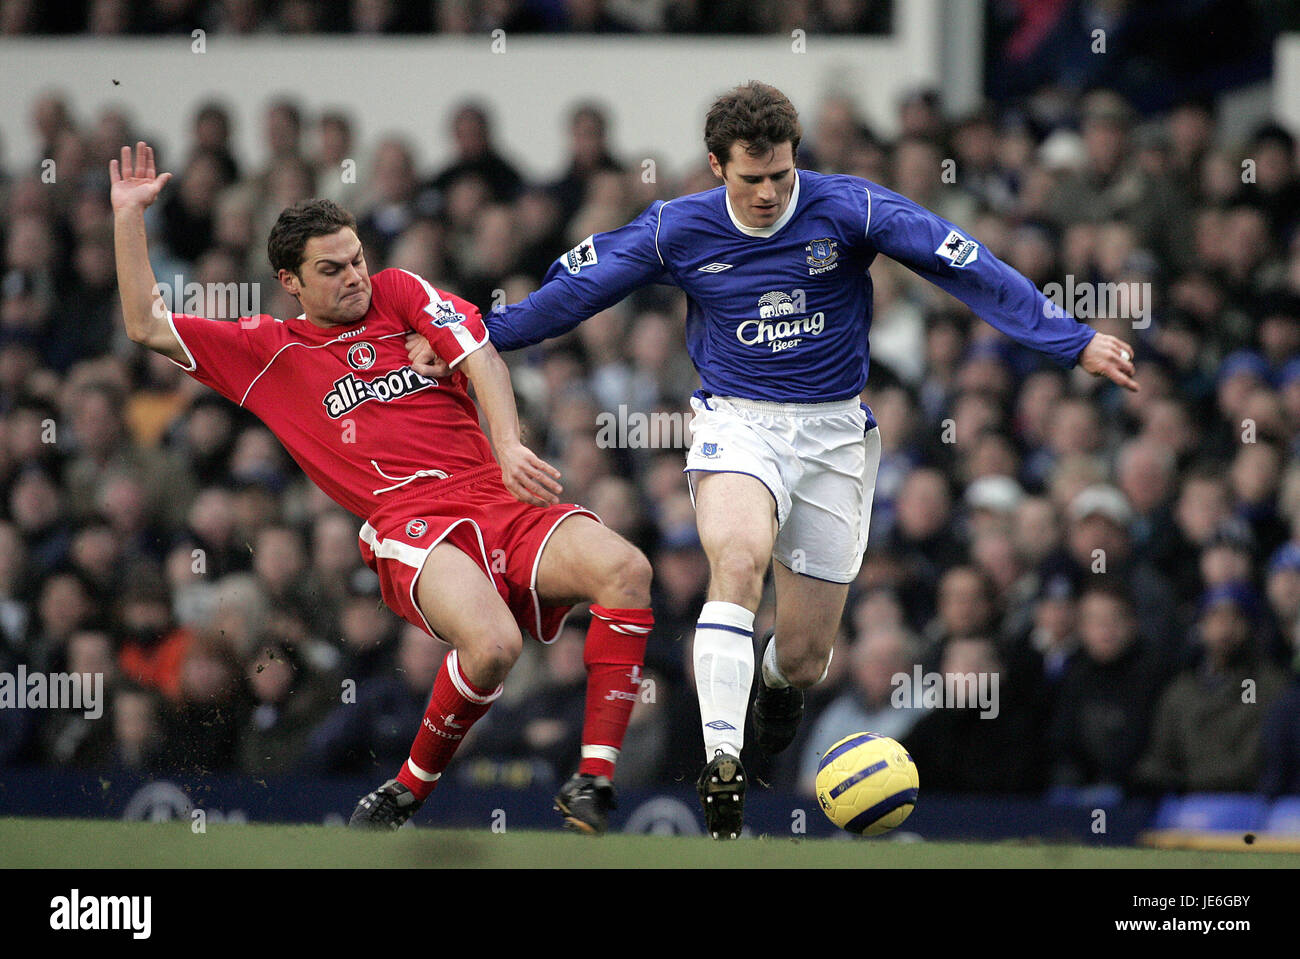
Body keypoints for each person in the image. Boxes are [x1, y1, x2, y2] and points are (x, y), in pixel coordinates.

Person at [407, 82, 1139, 838]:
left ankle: (780, 682)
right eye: (750, 178)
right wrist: (472, 341)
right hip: (736, 423)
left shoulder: (852, 208)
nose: (767, 193)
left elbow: (965, 263)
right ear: (717, 166)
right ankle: (722, 758)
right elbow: (576, 294)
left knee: (808, 652)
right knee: (739, 558)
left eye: (781, 176)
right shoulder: (676, 228)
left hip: (832, 438)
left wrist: (1071, 338)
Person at [109, 141, 654, 834]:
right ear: (290, 282)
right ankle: (408, 787)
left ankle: (593, 780)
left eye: (356, 258)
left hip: (495, 492)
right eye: (330, 270)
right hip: (409, 519)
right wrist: (129, 216)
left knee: (627, 570)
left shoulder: (399, 291)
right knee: (492, 648)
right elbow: (144, 323)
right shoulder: (267, 352)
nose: (354, 277)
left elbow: (479, 351)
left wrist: (509, 441)